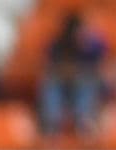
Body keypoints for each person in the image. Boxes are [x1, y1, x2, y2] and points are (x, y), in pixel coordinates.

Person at [38, 10, 109, 141]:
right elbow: (49, 68)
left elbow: (102, 69)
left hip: (86, 86)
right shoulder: (57, 44)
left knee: (87, 82)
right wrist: (67, 72)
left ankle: (84, 122)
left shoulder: (93, 45)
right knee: (49, 84)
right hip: (62, 86)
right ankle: (52, 124)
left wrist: (81, 70)